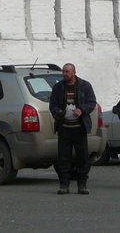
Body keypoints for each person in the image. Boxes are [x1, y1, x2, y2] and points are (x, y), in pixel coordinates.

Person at [48, 63, 97, 195]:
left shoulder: (84, 86)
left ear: (74, 72)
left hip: (79, 128)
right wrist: (57, 111)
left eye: (67, 72)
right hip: (64, 128)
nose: (64, 74)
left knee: (82, 158)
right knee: (64, 158)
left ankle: (82, 185)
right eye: (63, 71)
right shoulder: (58, 87)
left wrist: (82, 110)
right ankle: (64, 185)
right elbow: (52, 104)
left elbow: (92, 103)